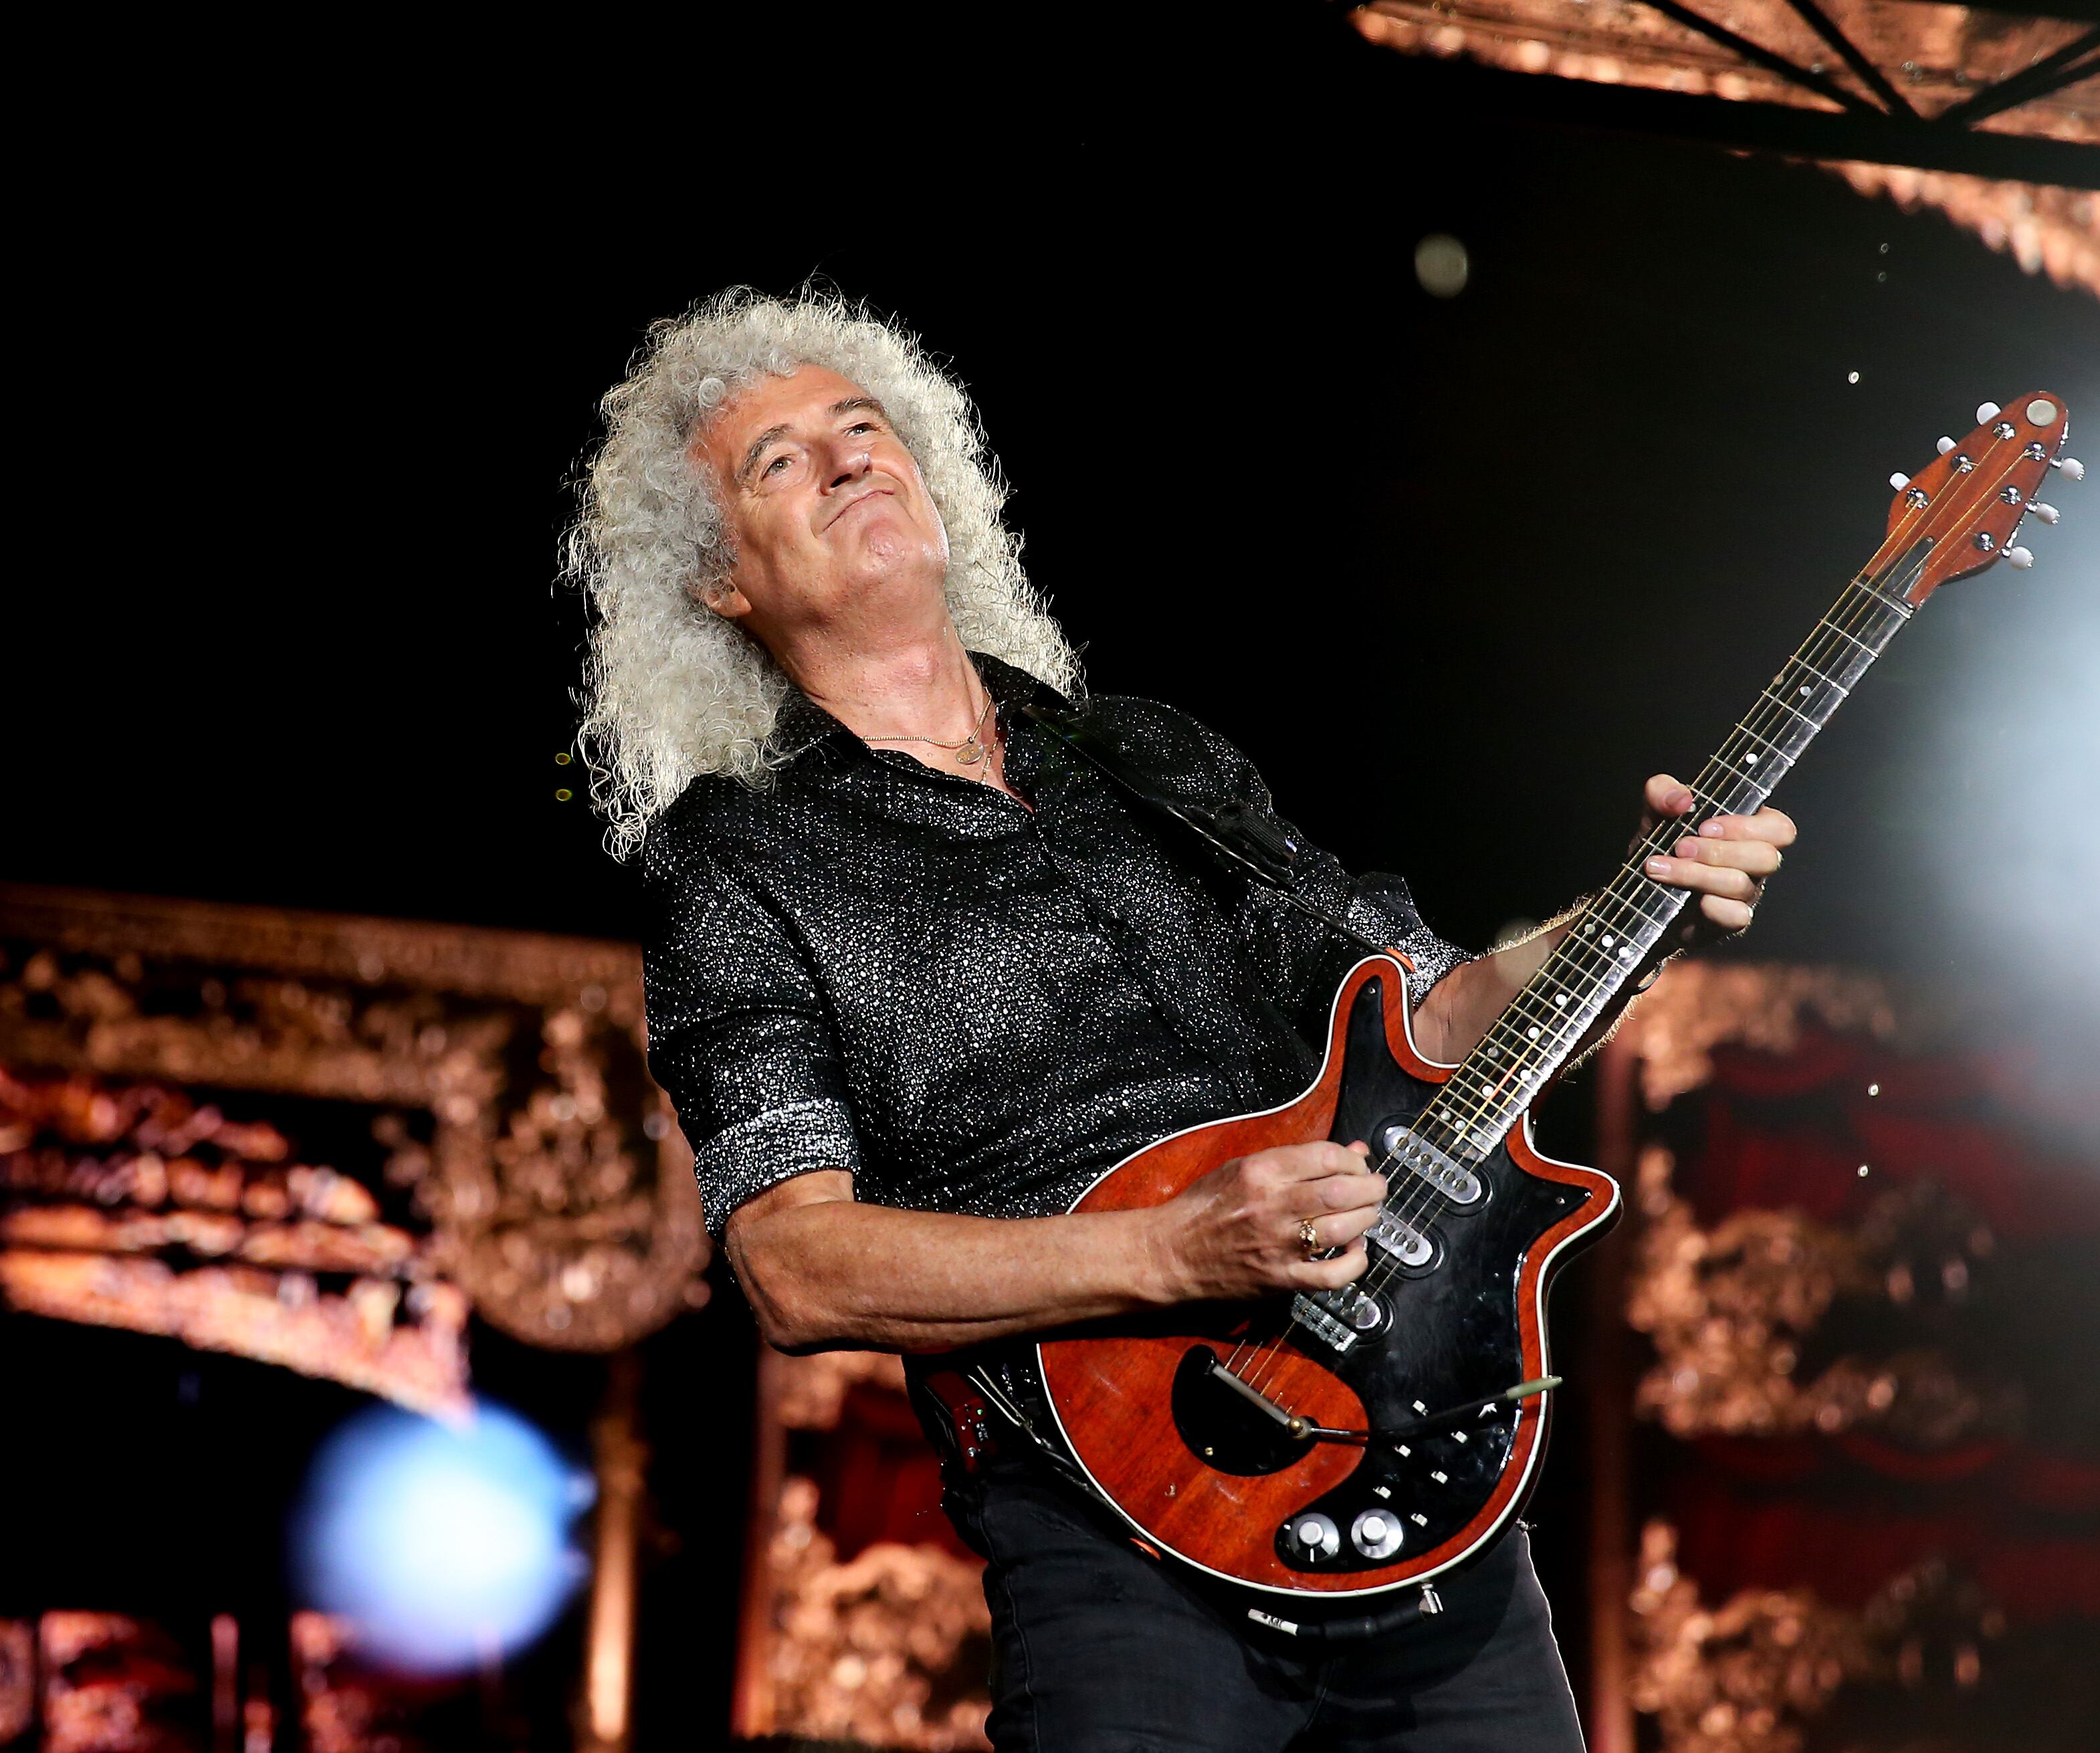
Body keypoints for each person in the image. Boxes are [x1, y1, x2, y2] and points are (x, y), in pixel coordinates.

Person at [567, 289, 1795, 1752]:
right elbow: (791, 1263)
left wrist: (1631, 908)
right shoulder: (741, 861)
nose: (845, 462)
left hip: (1408, 1470)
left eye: (863, 426)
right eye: (778, 460)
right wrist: (1170, 1246)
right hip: (1113, 1531)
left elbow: (1428, 1018)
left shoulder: (1145, 752)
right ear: (718, 581)